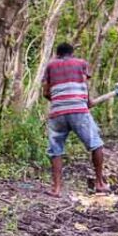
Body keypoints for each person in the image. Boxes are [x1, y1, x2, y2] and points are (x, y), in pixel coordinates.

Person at [42, 42, 107, 196]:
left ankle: (56, 188)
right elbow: (84, 84)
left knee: (55, 150)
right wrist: (87, 101)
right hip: (79, 110)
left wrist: (59, 101)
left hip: (57, 113)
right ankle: (99, 183)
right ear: (72, 54)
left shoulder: (50, 66)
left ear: (57, 54)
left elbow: (45, 92)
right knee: (96, 144)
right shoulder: (81, 63)